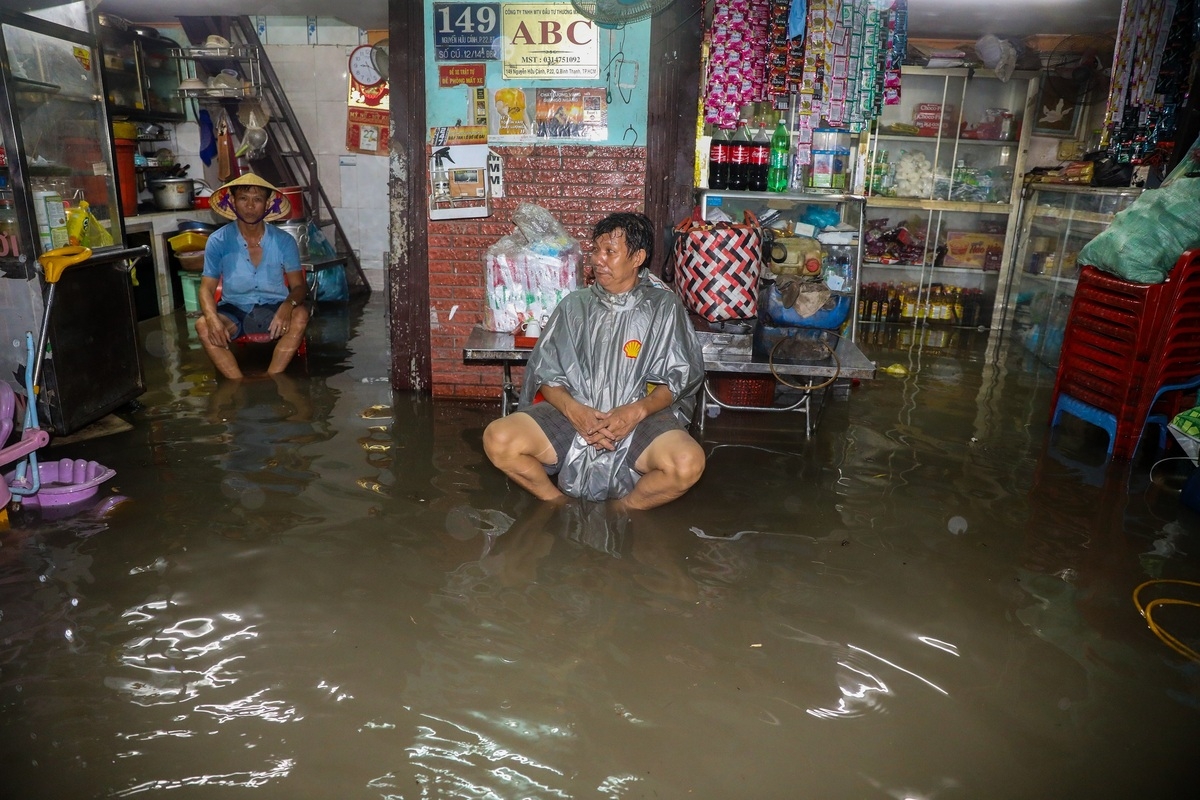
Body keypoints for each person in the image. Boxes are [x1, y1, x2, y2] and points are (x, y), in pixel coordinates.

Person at [483, 212, 706, 511]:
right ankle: (558, 504)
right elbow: (546, 375)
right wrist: (575, 411)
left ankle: (625, 509)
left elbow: (678, 380)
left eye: (610, 252)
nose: (597, 260)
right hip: (574, 413)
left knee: (687, 463)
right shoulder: (573, 306)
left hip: (640, 417)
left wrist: (635, 411)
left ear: (638, 257)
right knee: (498, 438)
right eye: (596, 250)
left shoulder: (664, 308)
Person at [196, 173, 308, 380]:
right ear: (232, 202)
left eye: (257, 199)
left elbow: (299, 287)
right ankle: (238, 382)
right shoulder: (218, 240)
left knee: (301, 315)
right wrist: (212, 319)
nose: (250, 206)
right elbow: (206, 288)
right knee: (202, 325)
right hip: (234, 309)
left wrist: (287, 306)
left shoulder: (284, 241)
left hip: (274, 307)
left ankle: (271, 377)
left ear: (267, 204)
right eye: (243, 199)